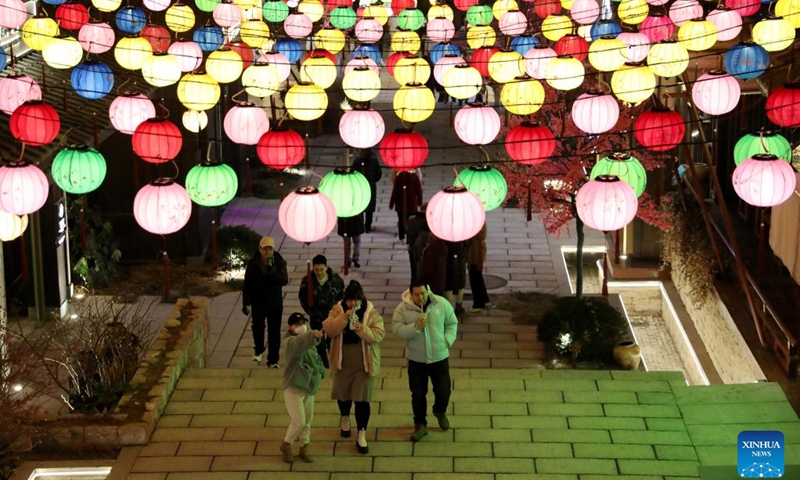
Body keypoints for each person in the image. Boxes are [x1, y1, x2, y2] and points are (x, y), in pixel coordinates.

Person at [391, 280, 458, 443]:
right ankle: (420, 424)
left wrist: (447, 340)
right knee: (418, 394)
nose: (420, 297)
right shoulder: (403, 309)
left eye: (422, 293)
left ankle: (439, 411)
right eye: (416, 294)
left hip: (439, 357)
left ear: (427, 290)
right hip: (416, 359)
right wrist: (415, 327)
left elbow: (452, 323)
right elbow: (397, 329)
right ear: (411, 294)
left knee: (444, 390)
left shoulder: (441, 304)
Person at [323, 280, 385, 454]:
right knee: (343, 395)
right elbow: (329, 330)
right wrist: (344, 318)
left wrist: (362, 329)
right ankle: (344, 417)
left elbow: (378, 335)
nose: (354, 304)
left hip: (364, 365)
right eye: (350, 300)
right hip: (343, 363)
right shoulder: (338, 310)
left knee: (362, 399)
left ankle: (362, 433)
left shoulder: (371, 312)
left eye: (356, 300)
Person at [280, 312, 326, 464]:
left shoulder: (307, 342)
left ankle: (304, 446)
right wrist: (314, 335)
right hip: (294, 387)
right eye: (298, 324)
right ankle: (286, 444)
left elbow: (315, 358)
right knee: (298, 421)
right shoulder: (290, 342)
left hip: (308, 387)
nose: (301, 327)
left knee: (307, 420)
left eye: (303, 323)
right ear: (290, 327)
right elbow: (300, 344)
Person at [242, 236, 289, 368]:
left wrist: (272, 270)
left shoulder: (279, 262)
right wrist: (246, 302)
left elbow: (284, 280)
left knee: (274, 331)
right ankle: (259, 348)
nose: (267, 252)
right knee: (257, 326)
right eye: (265, 249)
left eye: (270, 249)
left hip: (275, 302)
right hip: (259, 301)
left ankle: (273, 359)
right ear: (260, 249)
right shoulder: (253, 264)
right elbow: (247, 284)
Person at [299, 254, 345, 368]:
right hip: (316, 317)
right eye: (316, 270)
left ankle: (334, 363)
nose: (319, 272)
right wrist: (311, 312)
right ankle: (325, 365)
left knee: (332, 342)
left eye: (321, 269)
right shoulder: (307, 280)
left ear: (326, 267)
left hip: (332, 317)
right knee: (319, 343)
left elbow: (341, 297)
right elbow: (302, 297)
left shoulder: (336, 280)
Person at [389, 170, 423, 241]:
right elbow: (419, 192)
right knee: (411, 222)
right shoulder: (415, 178)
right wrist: (420, 202)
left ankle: (401, 237)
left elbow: (394, 192)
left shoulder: (398, 178)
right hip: (412, 204)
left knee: (401, 220)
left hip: (400, 204)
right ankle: (409, 239)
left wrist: (391, 204)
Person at [357, 148, 383, 233]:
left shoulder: (357, 160)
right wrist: (372, 180)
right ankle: (368, 226)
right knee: (370, 207)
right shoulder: (374, 160)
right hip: (370, 185)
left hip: (359, 186)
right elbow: (378, 173)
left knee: (360, 206)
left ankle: (360, 225)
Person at [466, 224, 490, 312]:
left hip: (475, 252)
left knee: (474, 277)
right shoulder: (480, 219)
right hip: (477, 250)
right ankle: (484, 299)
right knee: (478, 276)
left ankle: (478, 303)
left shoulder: (476, 221)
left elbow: (470, 237)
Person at [406, 202, 428, 282]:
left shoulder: (411, 220)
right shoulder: (427, 222)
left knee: (414, 272)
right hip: (423, 250)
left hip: (412, 249)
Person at [444, 240, 467, 316]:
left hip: (447, 258)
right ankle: (458, 305)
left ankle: (449, 308)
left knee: (448, 282)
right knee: (459, 281)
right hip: (459, 256)